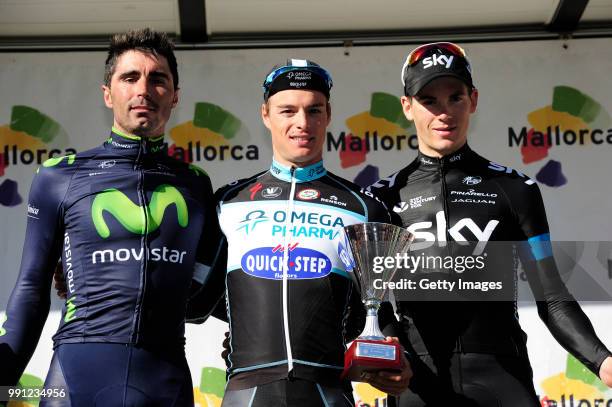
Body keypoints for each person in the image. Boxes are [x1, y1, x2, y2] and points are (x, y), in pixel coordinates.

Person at [369, 42, 612, 406]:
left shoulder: (515, 189)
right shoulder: (380, 198)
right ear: (407, 107)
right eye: (429, 101)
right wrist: (391, 352)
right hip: (417, 383)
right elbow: (371, 304)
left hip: (503, 378)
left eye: (456, 97)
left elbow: (552, 297)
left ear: (474, 100)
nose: (444, 113)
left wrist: (601, 360)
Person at [0, 28, 224, 406]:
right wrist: (3, 383)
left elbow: (203, 299)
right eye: (129, 77)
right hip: (73, 377)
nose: (144, 89)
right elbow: (31, 289)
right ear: (108, 93)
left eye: (158, 79)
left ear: (175, 96)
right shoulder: (59, 175)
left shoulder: (196, 185)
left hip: (166, 379)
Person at [191, 59, 412, 406]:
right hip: (248, 389)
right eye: (287, 110)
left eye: (314, 110)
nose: (302, 123)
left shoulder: (362, 208)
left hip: (326, 389)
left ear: (328, 114)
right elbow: (199, 302)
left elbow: (376, 307)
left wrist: (391, 355)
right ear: (266, 114)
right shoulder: (228, 202)